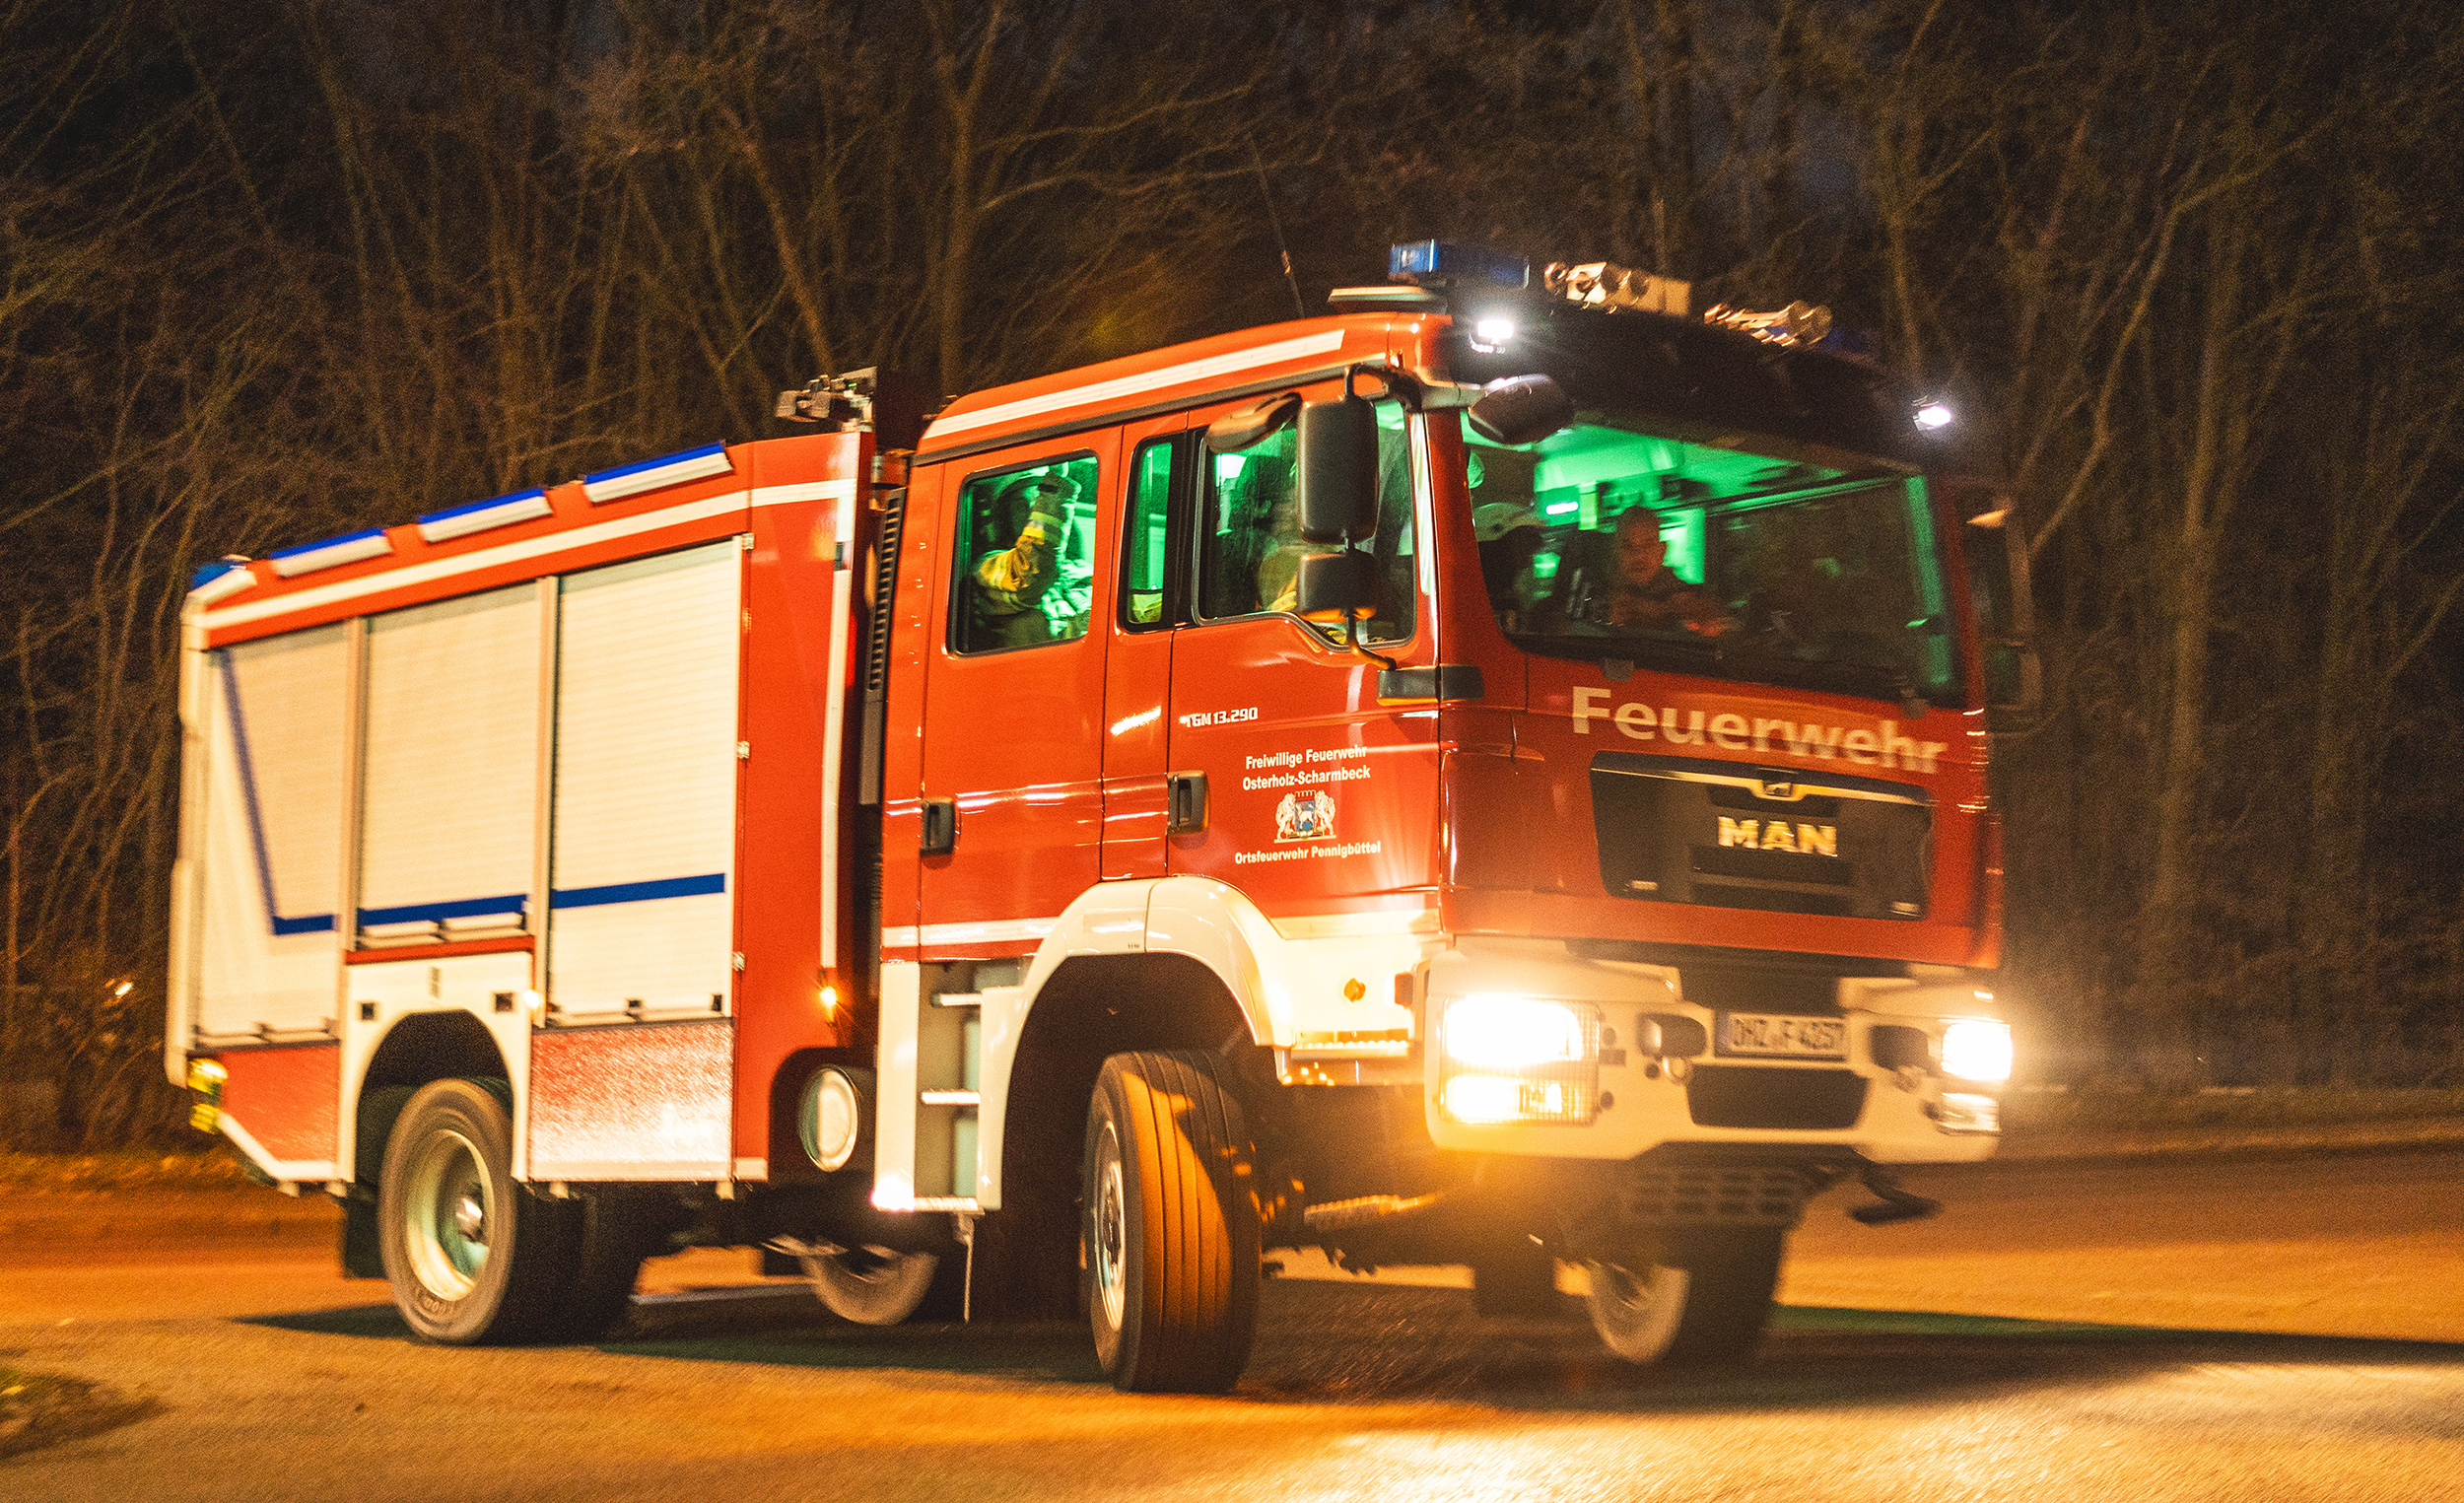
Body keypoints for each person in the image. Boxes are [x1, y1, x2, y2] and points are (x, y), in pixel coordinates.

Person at [1551, 505, 1731, 636]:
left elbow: (1717, 619)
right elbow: (1562, 632)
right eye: (1628, 546)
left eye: (1648, 545)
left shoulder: (1684, 595)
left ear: (1662, 550)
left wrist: (1670, 611)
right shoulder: (1596, 594)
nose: (1638, 555)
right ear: (1617, 552)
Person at [969, 471, 1076, 649]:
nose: (1031, 512)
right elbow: (1032, 572)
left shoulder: (1080, 569)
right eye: (1020, 505)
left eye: (1037, 502)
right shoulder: (987, 567)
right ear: (1004, 516)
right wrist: (1052, 491)